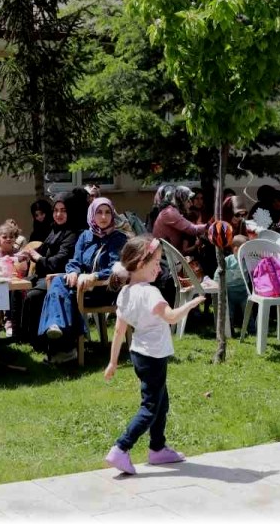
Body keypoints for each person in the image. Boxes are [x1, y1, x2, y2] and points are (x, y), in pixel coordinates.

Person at [103, 236, 207, 475]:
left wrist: (113, 362)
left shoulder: (125, 293)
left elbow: (119, 330)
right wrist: (191, 303)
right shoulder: (151, 294)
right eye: (156, 262)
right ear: (140, 262)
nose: (159, 267)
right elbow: (171, 317)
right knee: (150, 407)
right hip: (154, 356)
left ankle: (157, 449)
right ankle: (121, 448)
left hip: (140, 355)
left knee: (161, 402)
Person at [36, 197, 128, 364]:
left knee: (61, 292)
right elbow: (75, 261)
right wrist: (72, 272)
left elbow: (117, 267)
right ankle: (59, 336)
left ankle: (63, 345)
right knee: (58, 281)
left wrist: (94, 276)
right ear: (92, 215)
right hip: (82, 287)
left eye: (107, 212)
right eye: (99, 212)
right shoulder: (85, 236)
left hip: (103, 290)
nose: (103, 217)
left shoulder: (118, 238)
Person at [17, 193, 79, 343]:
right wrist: (28, 254)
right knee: (17, 288)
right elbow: (43, 250)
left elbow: (60, 260)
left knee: (34, 295)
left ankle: (37, 339)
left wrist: (39, 258)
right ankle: (20, 334)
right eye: (56, 210)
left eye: (63, 210)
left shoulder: (73, 233)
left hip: (60, 277)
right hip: (44, 274)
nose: (58, 214)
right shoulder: (54, 230)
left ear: (70, 211)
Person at [219, 235, 250, 336]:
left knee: (248, 311)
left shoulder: (247, 260)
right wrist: (216, 282)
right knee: (229, 313)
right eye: (245, 249)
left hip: (244, 292)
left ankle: (252, 329)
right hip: (230, 293)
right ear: (236, 249)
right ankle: (230, 330)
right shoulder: (228, 260)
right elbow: (218, 272)